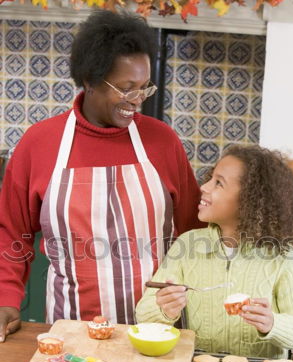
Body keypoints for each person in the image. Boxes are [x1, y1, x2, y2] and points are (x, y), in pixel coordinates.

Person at [0, 10, 204, 342]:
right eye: (126, 89)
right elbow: (11, 233)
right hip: (71, 331)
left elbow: (196, 232)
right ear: (91, 80)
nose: (137, 101)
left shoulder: (162, 141)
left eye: (143, 88)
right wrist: (5, 298)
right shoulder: (39, 144)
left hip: (157, 330)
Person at [136, 144, 293, 358]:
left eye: (218, 183)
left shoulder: (280, 255)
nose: (204, 187)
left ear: (250, 200)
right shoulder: (188, 245)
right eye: (211, 178)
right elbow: (142, 315)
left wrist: (272, 324)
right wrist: (164, 309)